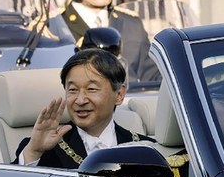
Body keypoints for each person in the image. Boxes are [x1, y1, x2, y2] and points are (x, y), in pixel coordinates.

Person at [15, 48, 152, 169]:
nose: (80, 100)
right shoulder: (44, 149)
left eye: (91, 89)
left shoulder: (144, 148)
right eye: (73, 90)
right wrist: (33, 152)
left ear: (119, 95)